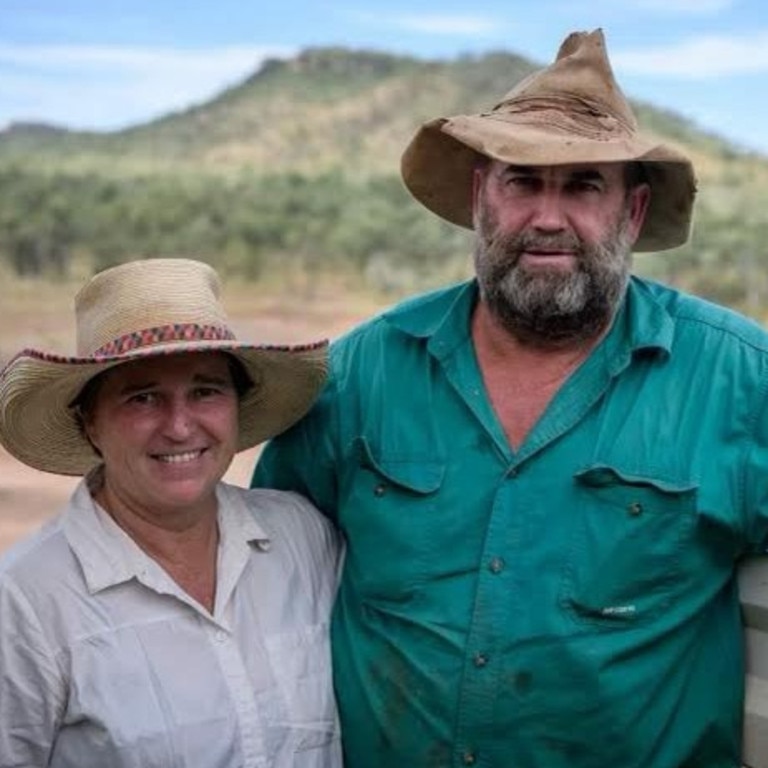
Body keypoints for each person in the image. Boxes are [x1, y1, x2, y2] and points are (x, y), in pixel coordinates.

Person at [252, 28, 768, 768]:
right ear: (479, 198)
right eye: (522, 181)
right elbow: (264, 561)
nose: (548, 217)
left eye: (585, 184)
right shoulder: (364, 372)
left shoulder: (739, 380)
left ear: (631, 210)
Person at [0, 257, 342, 768]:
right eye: (143, 398)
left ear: (236, 405)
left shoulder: (300, 536)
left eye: (205, 390)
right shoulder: (25, 602)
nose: (180, 427)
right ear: (90, 422)